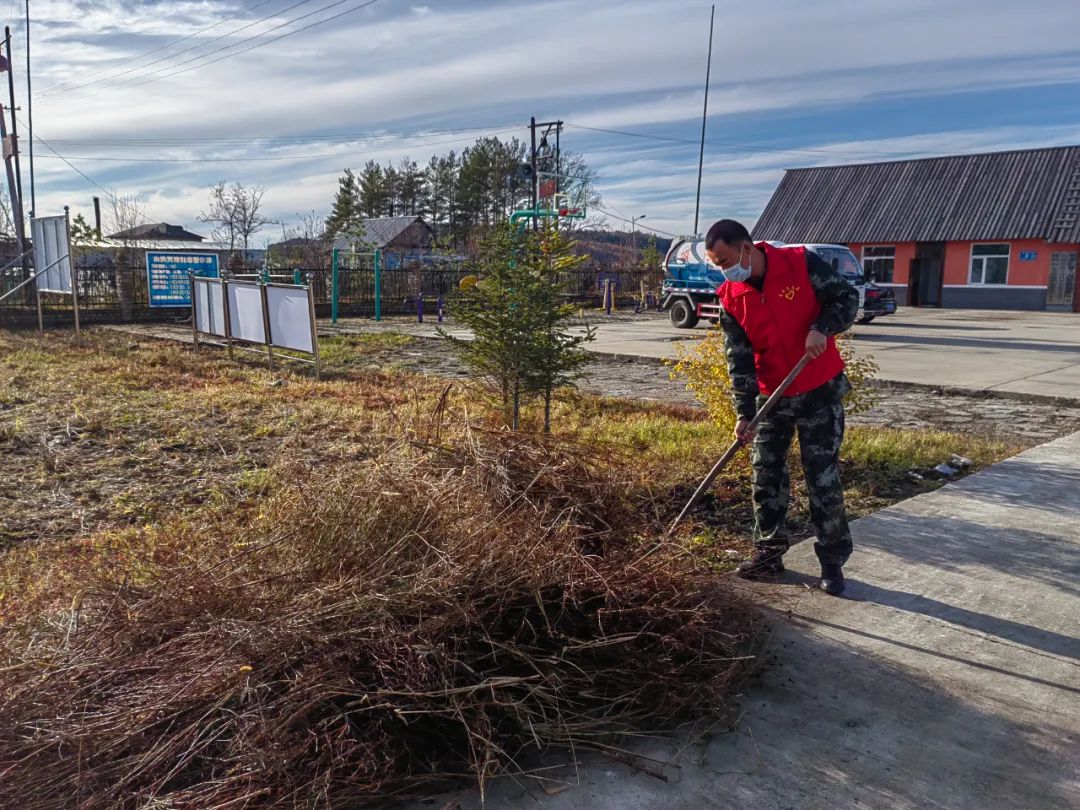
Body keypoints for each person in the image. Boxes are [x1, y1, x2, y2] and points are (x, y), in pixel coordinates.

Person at [704, 220, 859, 596]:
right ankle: (768, 554)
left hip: (818, 388)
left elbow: (846, 298)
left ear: (747, 248)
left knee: (821, 477)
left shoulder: (801, 263)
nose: (724, 269)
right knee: (765, 474)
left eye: (725, 259)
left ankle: (831, 562)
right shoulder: (730, 297)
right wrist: (743, 413)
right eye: (716, 264)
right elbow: (738, 361)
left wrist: (822, 327)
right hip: (771, 397)